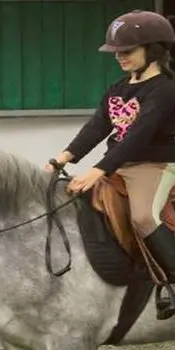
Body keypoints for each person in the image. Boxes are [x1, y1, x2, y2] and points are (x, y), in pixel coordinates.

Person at [45, 10, 175, 318]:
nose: (119, 57)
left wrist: (98, 169)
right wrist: (62, 158)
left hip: (157, 165)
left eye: (127, 51)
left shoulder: (166, 89)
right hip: (119, 165)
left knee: (144, 217)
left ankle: (172, 281)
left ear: (153, 50)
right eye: (116, 52)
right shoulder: (118, 88)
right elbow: (97, 127)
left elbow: (139, 136)